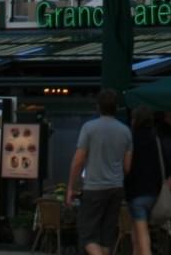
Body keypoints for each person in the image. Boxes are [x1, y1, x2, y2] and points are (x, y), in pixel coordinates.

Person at [67, 89, 133, 255]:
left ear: (98, 107)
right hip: (116, 189)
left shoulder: (89, 128)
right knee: (106, 238)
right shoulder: (125, 131)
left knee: (87, 237)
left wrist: (71, 187)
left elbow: (78, 160)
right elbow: (127, 167)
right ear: (115, 108)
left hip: (94, 188)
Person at [125, 106, 164, 255]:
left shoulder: (131, 140)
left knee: (142, 235)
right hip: (153, 193)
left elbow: (127, 166)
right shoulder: (156, 139)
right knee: (136, 234)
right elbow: (165, 165)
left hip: (136, 193)